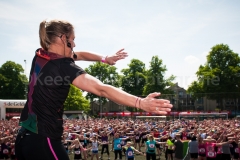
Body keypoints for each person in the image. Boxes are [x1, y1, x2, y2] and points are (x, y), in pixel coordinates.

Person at [14, 19, 172, 160]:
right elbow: (101, 89)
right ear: (63, 38)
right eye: (72, 40)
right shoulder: (63, 66)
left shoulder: (40, 56)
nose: (74, 44)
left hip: (23, 140)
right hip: (43, 141)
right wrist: (140, 102)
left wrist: (104, 58)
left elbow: (79, 55)